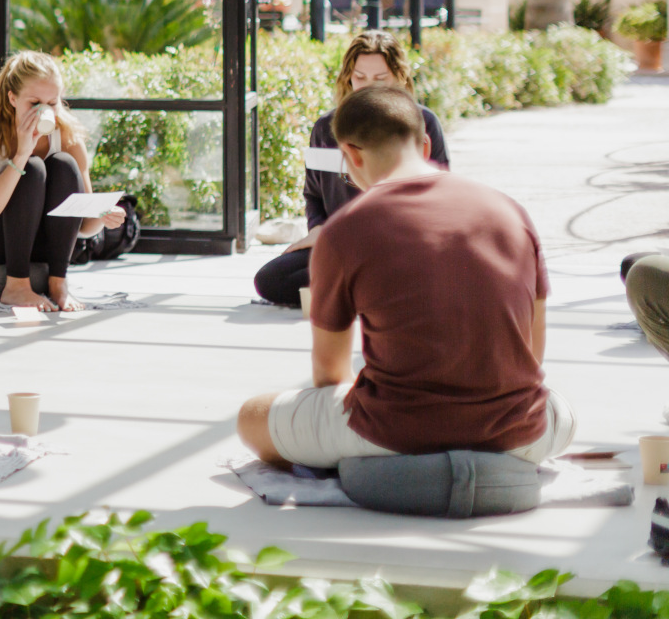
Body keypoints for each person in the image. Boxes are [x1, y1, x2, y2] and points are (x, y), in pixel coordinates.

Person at [236, 85, 574, 470]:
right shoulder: (511, 211)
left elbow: (329, 374)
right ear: (426, 146)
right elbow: (533, 352)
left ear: (350, 156)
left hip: (395, 435)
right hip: (521, 434)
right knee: (560, 407)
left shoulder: (344, 230)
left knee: (252, 416)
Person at [253, 32, 451, 308]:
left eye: (380, 79)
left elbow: (442, 198)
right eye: (360, 77)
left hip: (401, 246)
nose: (368, 86)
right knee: (271, 279)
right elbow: (313, 196)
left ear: (399, 78)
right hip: (342, 245)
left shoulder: (423, 123)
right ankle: (373, 292)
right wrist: (319, 230)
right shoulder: (326, 128)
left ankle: (356, 290)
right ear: (348, 77)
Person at [0, 51, 124, 312]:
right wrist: (21, 154)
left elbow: (83, 226)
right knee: (32, 168)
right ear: (12, 98)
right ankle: (16, 286)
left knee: (63, 165)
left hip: (43, 247)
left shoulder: (68, 135)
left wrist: (101, 214)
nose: (45, 111)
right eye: (35, 103)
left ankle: (58, 284)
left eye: (53, 103)